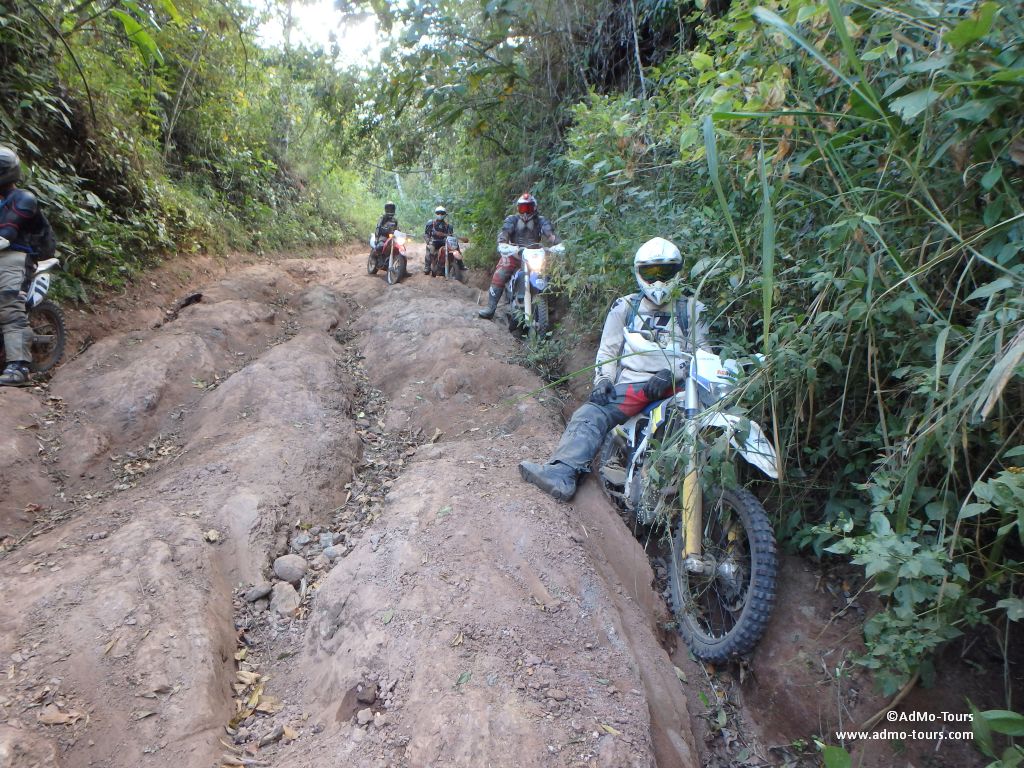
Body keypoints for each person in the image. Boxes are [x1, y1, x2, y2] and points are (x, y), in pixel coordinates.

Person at [519, 237, 709, 501]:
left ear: (678, 272)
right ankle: (562, 472)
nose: (657, 281)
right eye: (650, 273)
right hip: (635, 386)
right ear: (639, 273)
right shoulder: (625, 307)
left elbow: (704, 355)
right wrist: (603, 380)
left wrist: (674, 373)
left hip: (682, 389)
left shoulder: (693, 309)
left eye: (665, 273)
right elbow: (608, 350)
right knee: (591, 414)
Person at [0, 145, 55, 387]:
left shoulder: (24, 199)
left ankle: (19, 367)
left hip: (16, 256)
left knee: (9, 306)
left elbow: (7, 235)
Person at [478, 192, 561, 319]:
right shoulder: (512, 220)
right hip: (515, 254)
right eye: (523, 208)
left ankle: (549, 304)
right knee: (501, 272)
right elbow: (504, 233)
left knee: (552, 274)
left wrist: (560, 244)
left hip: (536, 255)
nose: (526, 212)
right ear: (518, 208)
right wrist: (503, 243)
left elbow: (551, 235)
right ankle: (491, 307)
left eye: (528, 208)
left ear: (534, 208)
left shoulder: (541, 220)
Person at [423, 206, 454, 275]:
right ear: (435, 214)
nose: (440, 215)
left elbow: (451, 236)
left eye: (442, 213)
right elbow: (426, 234)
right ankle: (427, 267)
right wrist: (428, 240)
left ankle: (458, 265)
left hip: (444, 242)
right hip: (434, 241)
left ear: (445, 214)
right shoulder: (431, 223)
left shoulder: (448, 226)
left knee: (452, 251)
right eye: (438, 213)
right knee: (430, 250)